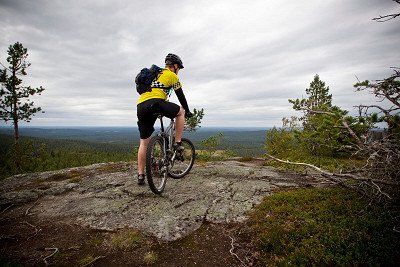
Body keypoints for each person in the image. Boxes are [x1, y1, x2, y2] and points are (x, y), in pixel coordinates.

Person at [136, 53, 193, 185]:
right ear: (175, 66)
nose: (178, 71)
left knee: (144, 143)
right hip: (156, 103)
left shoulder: (155, 74)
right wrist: (188, 111)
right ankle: (177, 143)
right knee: (181, 112)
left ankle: (140, 175)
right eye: (179, 68)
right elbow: (181, 97)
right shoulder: (172, 75)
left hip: (141, 106)